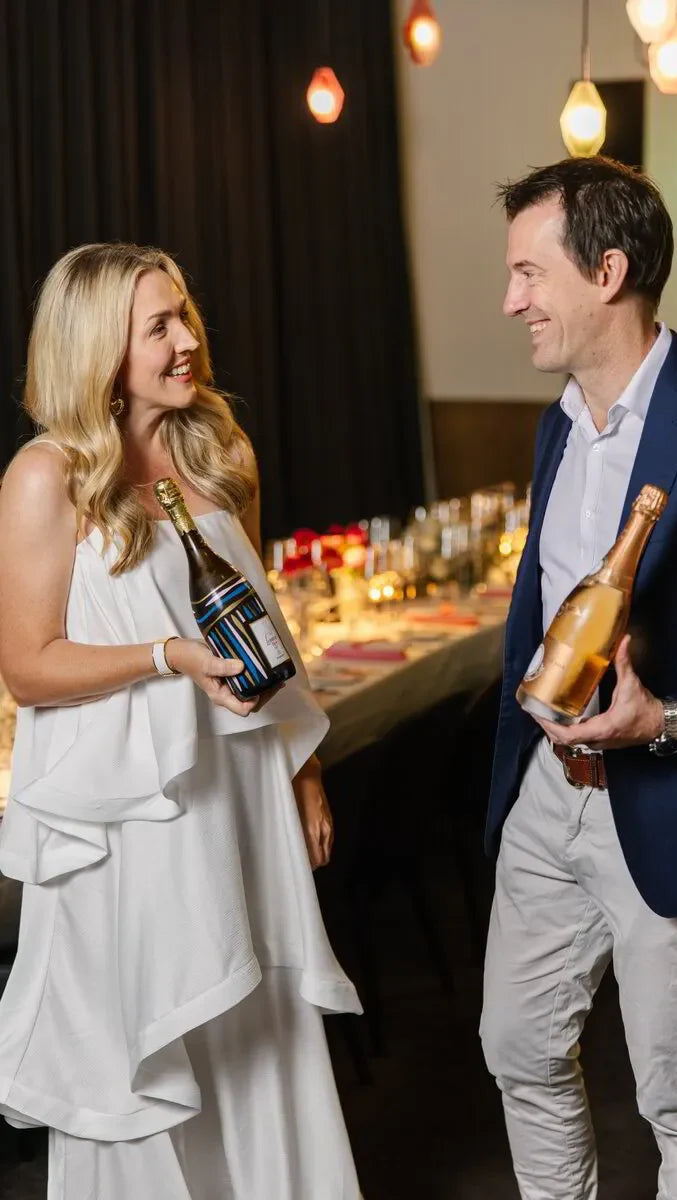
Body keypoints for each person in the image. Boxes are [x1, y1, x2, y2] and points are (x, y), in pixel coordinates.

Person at [0, 243, 362, 1198]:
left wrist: (304, 772)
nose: (187, 339)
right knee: (157, 1036)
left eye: (184, 315)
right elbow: (28, 666)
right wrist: (166, 657)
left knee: (257, 1027)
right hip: (135, 821)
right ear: (96, 349)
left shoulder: (220, 453)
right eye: (157, 326)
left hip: (238, 795)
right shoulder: (46, 476)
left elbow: (263, 625)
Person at [480, 156, 677, 1199]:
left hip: (675, 802)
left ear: (607, 272)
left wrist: (662, 717)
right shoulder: (557, 421)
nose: (511, 300)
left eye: (529, 273)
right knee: (517, 1048)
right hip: (548, 795)